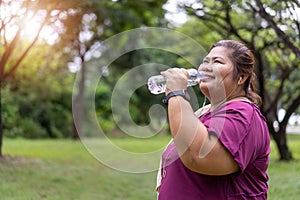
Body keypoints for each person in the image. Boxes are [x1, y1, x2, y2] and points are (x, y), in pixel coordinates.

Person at [156, 40, 270, 199]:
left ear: (241, 77)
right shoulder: (203, 115)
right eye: (205, 61)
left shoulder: (244, 113)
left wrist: (176, 94)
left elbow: (198, 157)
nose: (205, 68)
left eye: (217, 61)